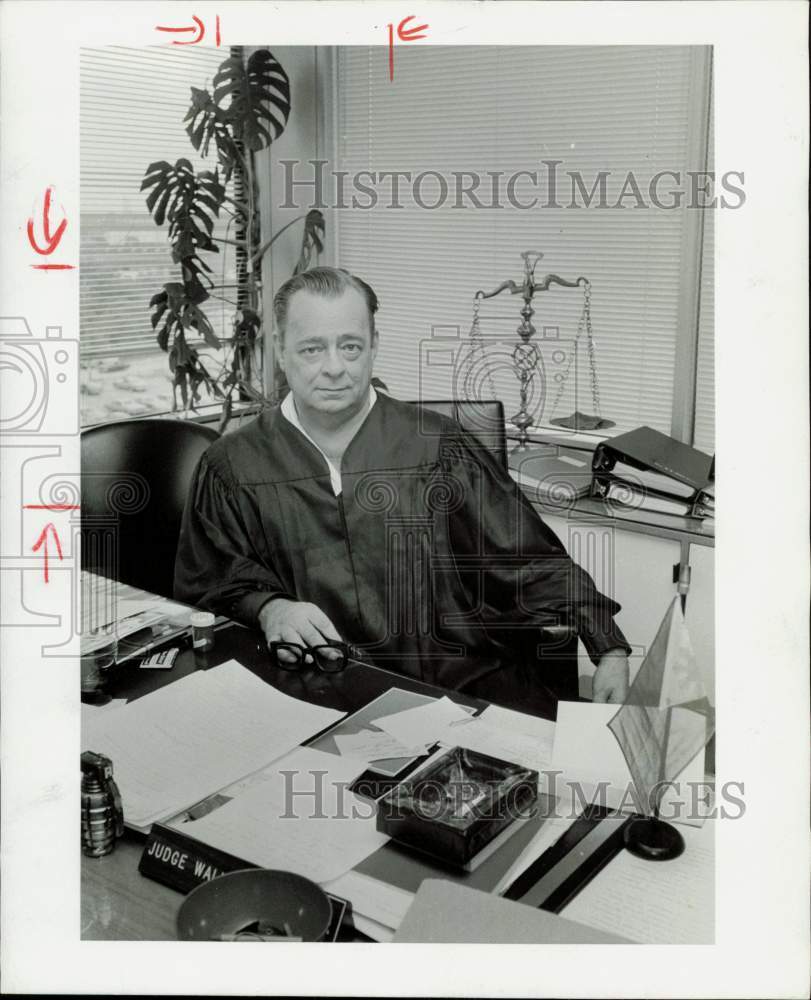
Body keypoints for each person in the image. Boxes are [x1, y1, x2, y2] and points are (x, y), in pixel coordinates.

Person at [174, 266, 631, 715]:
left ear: (374, 346)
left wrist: (607, 645)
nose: (334, 368)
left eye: (350, 347)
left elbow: (525, 558)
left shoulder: (438, 446)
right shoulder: (233, 465)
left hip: (455, 687)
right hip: (314, 693)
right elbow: (208, 583)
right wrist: (270, 607)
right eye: (312, 349)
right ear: (280, 349)